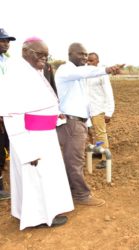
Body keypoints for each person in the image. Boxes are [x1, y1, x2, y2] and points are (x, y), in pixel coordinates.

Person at [0, 37, 74, 229]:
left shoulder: (31, 70)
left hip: (43, 135)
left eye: (45, 55)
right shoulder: (16, 74)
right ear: (25, 51)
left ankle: (40, 213)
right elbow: (12, 115)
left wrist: (56, 116)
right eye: (39, 54)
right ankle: (40, 218)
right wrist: (26, 151)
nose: (43, 58)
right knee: (36, 178)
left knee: (44, 177)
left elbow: (38, 104)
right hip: (31, 138)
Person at [55, 43, 123, 206]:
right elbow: (87, 71)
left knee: (72, 159)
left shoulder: (76, 74)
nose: (85, 58)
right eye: (81, 54)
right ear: (70, 54)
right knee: (75, 160)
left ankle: (70, 191)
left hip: (78, 121)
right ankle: (81, 195)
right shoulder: (67, 70)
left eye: (86, 55)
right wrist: (107, 69)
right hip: (72, 123)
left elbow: (81, 99)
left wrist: (91, 122)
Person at [86, 52, 115, 169]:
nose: (89, 63)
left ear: (97, 61)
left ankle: (105, 159)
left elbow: (109, 94)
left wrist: (109, 112)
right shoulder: (86, 74)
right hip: (89, 109)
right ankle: (98, 151)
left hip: (99, 109)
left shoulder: (102, 75)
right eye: (88, 61)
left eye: (92, 61)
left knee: (101, 134)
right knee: (94, 133)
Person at [0, 28, 15, 201]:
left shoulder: (8, 61)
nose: (6, 43)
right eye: (2, 40)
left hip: (10, 113)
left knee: (11, 148)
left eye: (8, 41)